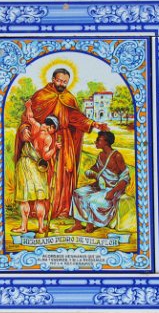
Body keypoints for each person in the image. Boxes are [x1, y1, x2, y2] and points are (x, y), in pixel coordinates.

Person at [25, 68, 109, 220]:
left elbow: (76, 117)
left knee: (64, 173)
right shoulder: (40, 95)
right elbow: (28, 118)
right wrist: (25, 129)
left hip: (65, 141)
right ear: (53, 79)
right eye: (59, 80)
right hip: (45, 137)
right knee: (46, 172)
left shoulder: (68, 98)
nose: (61, 84)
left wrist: (94, 124)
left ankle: (63, 209)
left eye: (65, 82)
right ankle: (42, 208)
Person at [67, 131, 131, 233]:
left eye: (98, 140)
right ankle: (77, 224)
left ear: (106, 142)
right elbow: (95, 169)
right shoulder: (101, 155)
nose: (96, 142)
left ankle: (90, 224)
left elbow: (125, 177)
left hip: (112, 189)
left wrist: (113, 191)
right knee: (77, 193)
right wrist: (90, 173)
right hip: (100, 186)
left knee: (91, 199)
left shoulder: (117, 156)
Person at [12, 115, 60, 236]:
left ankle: (24, 227)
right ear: (52, 127)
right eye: (54, 130)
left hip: (24, 165)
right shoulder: (48, 138)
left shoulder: (35, 126)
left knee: (24, 198)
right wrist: (55, 148)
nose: (53, 132)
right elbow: (45, 156)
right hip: (38, 168)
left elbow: (29, 116)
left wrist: (28, 107)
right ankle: (41, 227)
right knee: (40, 199)